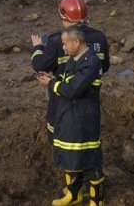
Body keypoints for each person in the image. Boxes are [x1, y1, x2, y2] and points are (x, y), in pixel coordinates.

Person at [37, 25, 105, 206]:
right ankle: (74, 195)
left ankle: (97, 201)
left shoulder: (91, 62)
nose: (64, 48)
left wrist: (51, 84)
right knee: (69, 156)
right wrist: (54, 80)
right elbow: (68, 81)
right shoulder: (75, 58)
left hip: (85, 120)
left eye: (66, 44)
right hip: (70, 117)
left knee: (90, 160)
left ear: (77, 42)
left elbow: (73, 89)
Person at [31, 0, 110, 141]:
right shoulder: (99, 38)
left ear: (63, 16)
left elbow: (40, 66)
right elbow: (104, 67)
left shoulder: (56, 40)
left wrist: (38, 47)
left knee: (58, 134)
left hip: (61, 98)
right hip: (89, 102)